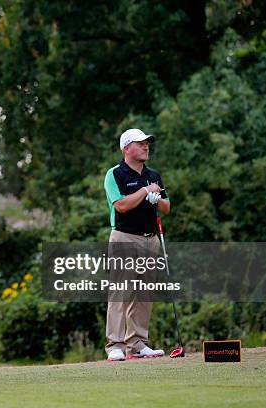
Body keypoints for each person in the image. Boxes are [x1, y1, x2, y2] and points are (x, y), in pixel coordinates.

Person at [103, 128, 171, 361]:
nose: (146, 146)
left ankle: (138, 344)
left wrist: (157, 199)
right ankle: (115, 345)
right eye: (140, 143)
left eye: (147, 143)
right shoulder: (115, 174)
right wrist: (144, 192)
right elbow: (120, 205)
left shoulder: (154, 175)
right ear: (126, 149)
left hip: (150, 238)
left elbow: (167, 207)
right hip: (125, 237)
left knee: (144, 293)